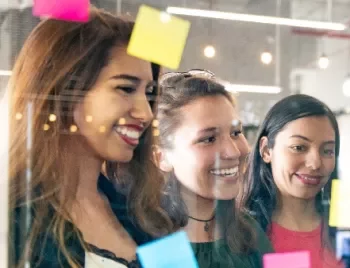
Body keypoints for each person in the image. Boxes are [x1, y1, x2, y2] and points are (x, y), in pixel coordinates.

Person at [7, 9, 174, 267]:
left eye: (149, 93)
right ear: (66, 88)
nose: (146, 113)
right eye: (125, 88)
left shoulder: (147, 212)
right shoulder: (12, 215)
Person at [152, 70, 273, 267]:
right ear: (161, 157)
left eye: (236, 133)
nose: (233, 152)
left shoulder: (251, 232)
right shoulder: (144, 240)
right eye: (208, 139)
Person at [244, 94, 350, 268]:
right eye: (299, 147)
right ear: (266, 150)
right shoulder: (243, 232)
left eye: (327, 151)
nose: (315, 163)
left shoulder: (349, 229)